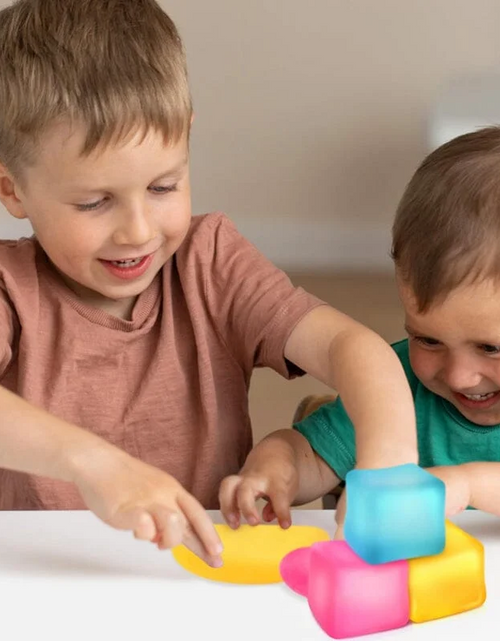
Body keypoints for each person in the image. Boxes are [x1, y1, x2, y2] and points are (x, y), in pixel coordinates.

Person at [0, 0, 417, 564]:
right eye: (94, 202)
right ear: (12, 191)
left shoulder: (211, 262)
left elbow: (354, 348)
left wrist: (388, 465)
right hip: (44, 576)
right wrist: (92, 463)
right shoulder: (11, 287)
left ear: (187, 139)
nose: (138, 231)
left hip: (207, 575)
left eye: (164, 186)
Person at [220, 126, 500, 532]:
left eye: (491, 348)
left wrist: (465, 486)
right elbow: (314, 456)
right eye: (429, 339)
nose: (458, 375)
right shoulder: (396, 385)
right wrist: (276, 464)